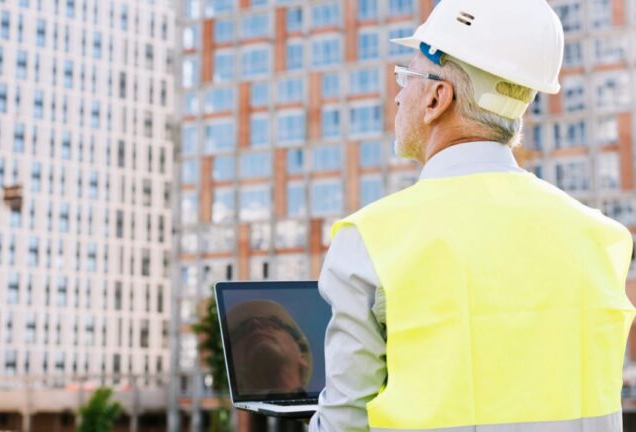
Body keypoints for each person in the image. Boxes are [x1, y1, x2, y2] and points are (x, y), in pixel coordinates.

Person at [308, 0, 636, 431]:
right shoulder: (602, 238)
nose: (398, 94)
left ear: (437, 98)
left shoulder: (372, 239)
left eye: (405, 77)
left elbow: (342, 422)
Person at [227, 300, 313, 395]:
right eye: (241, 331)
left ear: (301, 357)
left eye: (272, 323)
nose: (254, 323)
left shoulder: (326, 407)